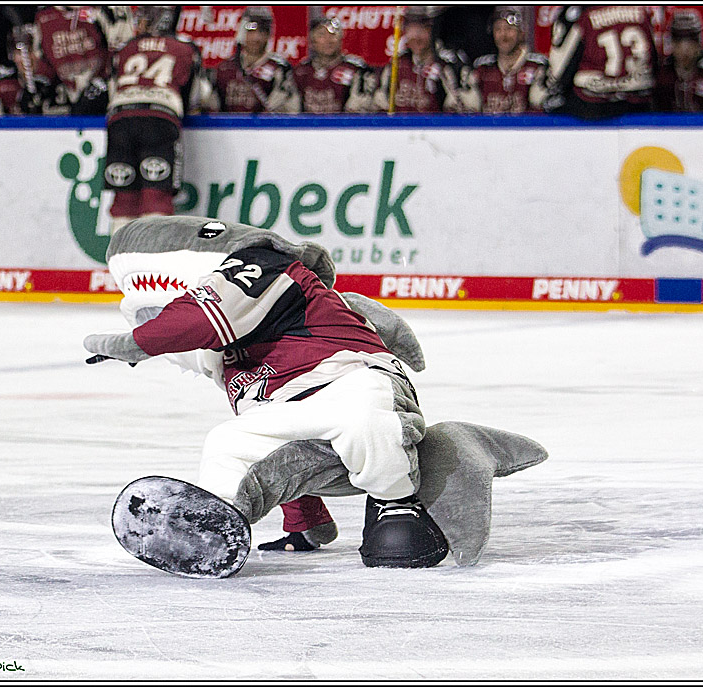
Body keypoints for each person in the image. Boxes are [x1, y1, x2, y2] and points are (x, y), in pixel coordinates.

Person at [84, 217, 449, 568]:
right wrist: (303, 525)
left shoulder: (263, 261)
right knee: (228, 442)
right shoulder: (225, 349)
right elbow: (191, 341)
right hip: (287, 409)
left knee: (363, 418)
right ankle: (216, 527)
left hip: (344, 380)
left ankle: (396, 503)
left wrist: (139, 343)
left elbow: (196, 317)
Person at [104, 5, 206, 232]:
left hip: (121, 117)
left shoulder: (125, 47)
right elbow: (195, 98)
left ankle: (117, 264)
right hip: (160, 117)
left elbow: (112, 89)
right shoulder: (186, 47)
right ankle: (154, 264)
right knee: (157, 196)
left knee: (123, 198)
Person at [545, 5, 658, 119]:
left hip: (592, 106)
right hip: (639, 104)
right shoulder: (641, 10)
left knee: (546, 103)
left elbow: (558, 74)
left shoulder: (578, 12)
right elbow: (655, 61)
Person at [374, 7, 470, 113]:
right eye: (410, 27)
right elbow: (379, 106)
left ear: (433, 29)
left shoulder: (449, 65)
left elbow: (462, 111)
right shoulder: (395, 64)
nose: (415, 35)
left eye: (423, 27)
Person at [210, 6, 300, 114]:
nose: (256, 38)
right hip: (226, 129)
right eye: (251, 31)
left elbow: (290, 111)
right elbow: (209, 108)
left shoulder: (280, 68)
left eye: (262, 32)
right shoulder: (224, 69)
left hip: (265, 129)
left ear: (269, 35)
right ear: (242, 32)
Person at [33, 5, 113, 114]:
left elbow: (115, 49)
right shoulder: (43, 18)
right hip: (64, 93)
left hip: (100, 89)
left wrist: (101, 80)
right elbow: (42, 58)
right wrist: (42, 82)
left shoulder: (97, 12)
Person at [468, 6, 549, 113]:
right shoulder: (482, 68)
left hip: (528, 128)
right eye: (498, 29)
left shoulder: (537, 66)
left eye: (509, 29)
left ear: (521, 33)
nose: (503, 35)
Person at [291, 17, 375, 114]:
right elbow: (291, 110)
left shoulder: (357, 69)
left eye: (333, 34)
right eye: (321, 35)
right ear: (312, 41)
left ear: (341, 39)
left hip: (344, 127)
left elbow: (360, 110)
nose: (328, 40)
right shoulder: (301, 71)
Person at [0, 24, 70, 115]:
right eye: (20, 53)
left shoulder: (53, 85)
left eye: (30, 50)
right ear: (12, 56)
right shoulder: (2, 87)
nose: (27, 58)